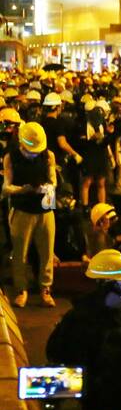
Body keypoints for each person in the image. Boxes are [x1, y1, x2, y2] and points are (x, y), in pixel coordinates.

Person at [45, 249, 121, 410]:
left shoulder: (110, 310)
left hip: (95, 376)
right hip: (92, 378)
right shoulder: (89, 317)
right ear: (108, 285)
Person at [5, 122, 57, 308]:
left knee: (47, 252)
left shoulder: (48, 155)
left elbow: (53, 181)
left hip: (45, 210)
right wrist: (22, 190)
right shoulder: (11, 157)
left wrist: (44, 188)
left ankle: (46, 289)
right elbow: (6, 187)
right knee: (20, 253)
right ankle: (21, 289)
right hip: (22, 210)